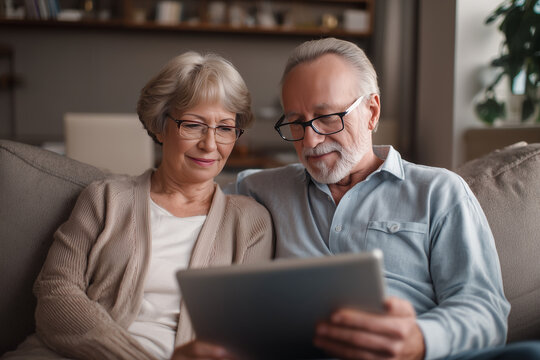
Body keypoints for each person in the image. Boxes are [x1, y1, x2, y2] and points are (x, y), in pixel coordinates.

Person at [172, 38, 540, 360]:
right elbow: (177, 202)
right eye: (296, 123)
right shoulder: (259, 190)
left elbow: (485, 310)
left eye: (327, 117)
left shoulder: (439, 192)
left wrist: (420, 340)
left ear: (372, 112)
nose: (310, 141)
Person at [2, 51, 273, 360]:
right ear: (160, 126)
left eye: (225, 128)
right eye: (193, 125)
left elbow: (246, 329)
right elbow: (55, 292)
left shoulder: (250, 222)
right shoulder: (106, 198)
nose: (210, 144)